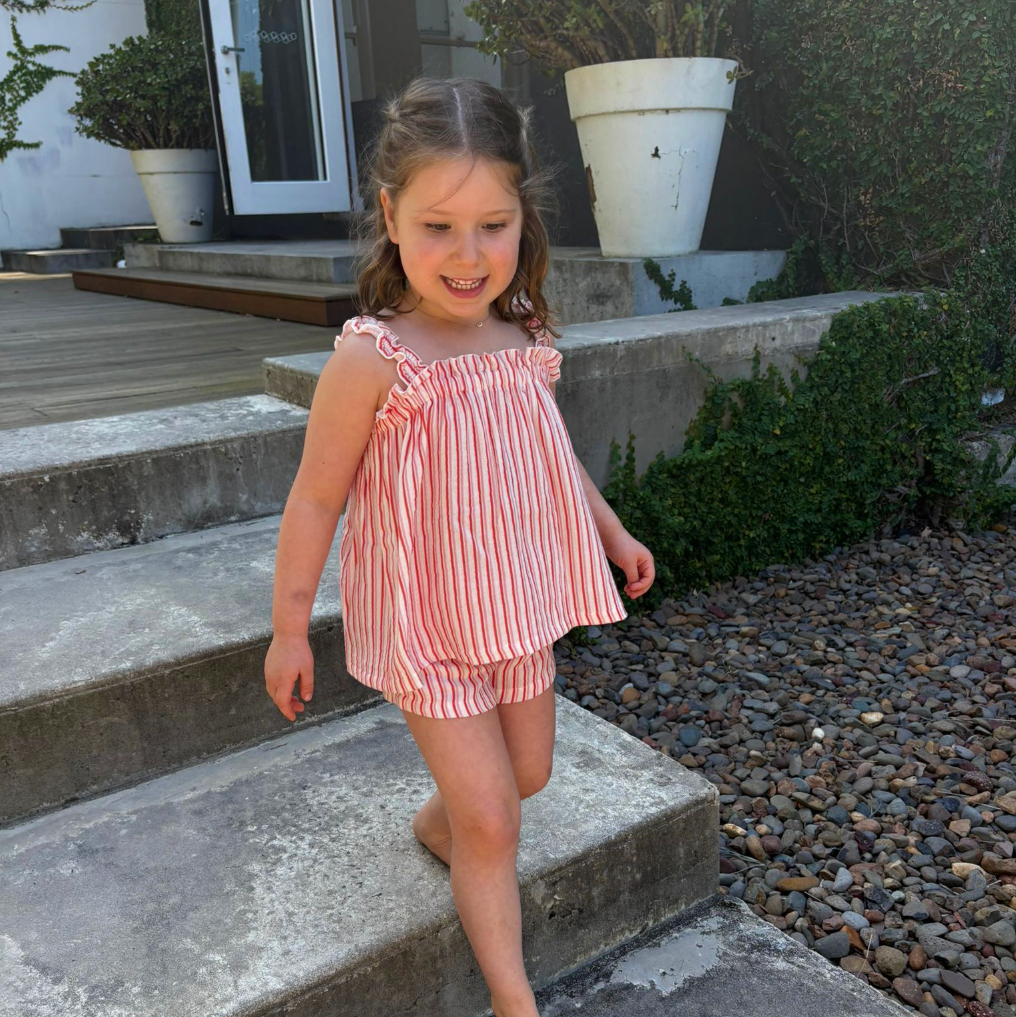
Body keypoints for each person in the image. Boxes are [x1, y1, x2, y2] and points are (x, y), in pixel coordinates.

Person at [264, 75, 655, 1017]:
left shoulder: (522, 333)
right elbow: (315, 500)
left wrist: (609, 527)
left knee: (526, 776)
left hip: (513, 601)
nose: (470, 255)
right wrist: (286, 630)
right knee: (496, 818)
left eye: (494, 224)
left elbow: (550, 454)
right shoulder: (371, 359)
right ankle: (513, 998)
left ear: (524, 217)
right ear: (392, 216)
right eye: (440, 226)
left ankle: (444, 823)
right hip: (427, 621)